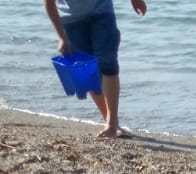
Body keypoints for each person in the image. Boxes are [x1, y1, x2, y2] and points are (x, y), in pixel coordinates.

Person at [43, 0, 148, 139]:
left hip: (102, 12)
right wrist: (61, 36)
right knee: (89, 71)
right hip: (71, 20)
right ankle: (110, 123)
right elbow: (49, 2)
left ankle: (112, 123)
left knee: (108, 63)